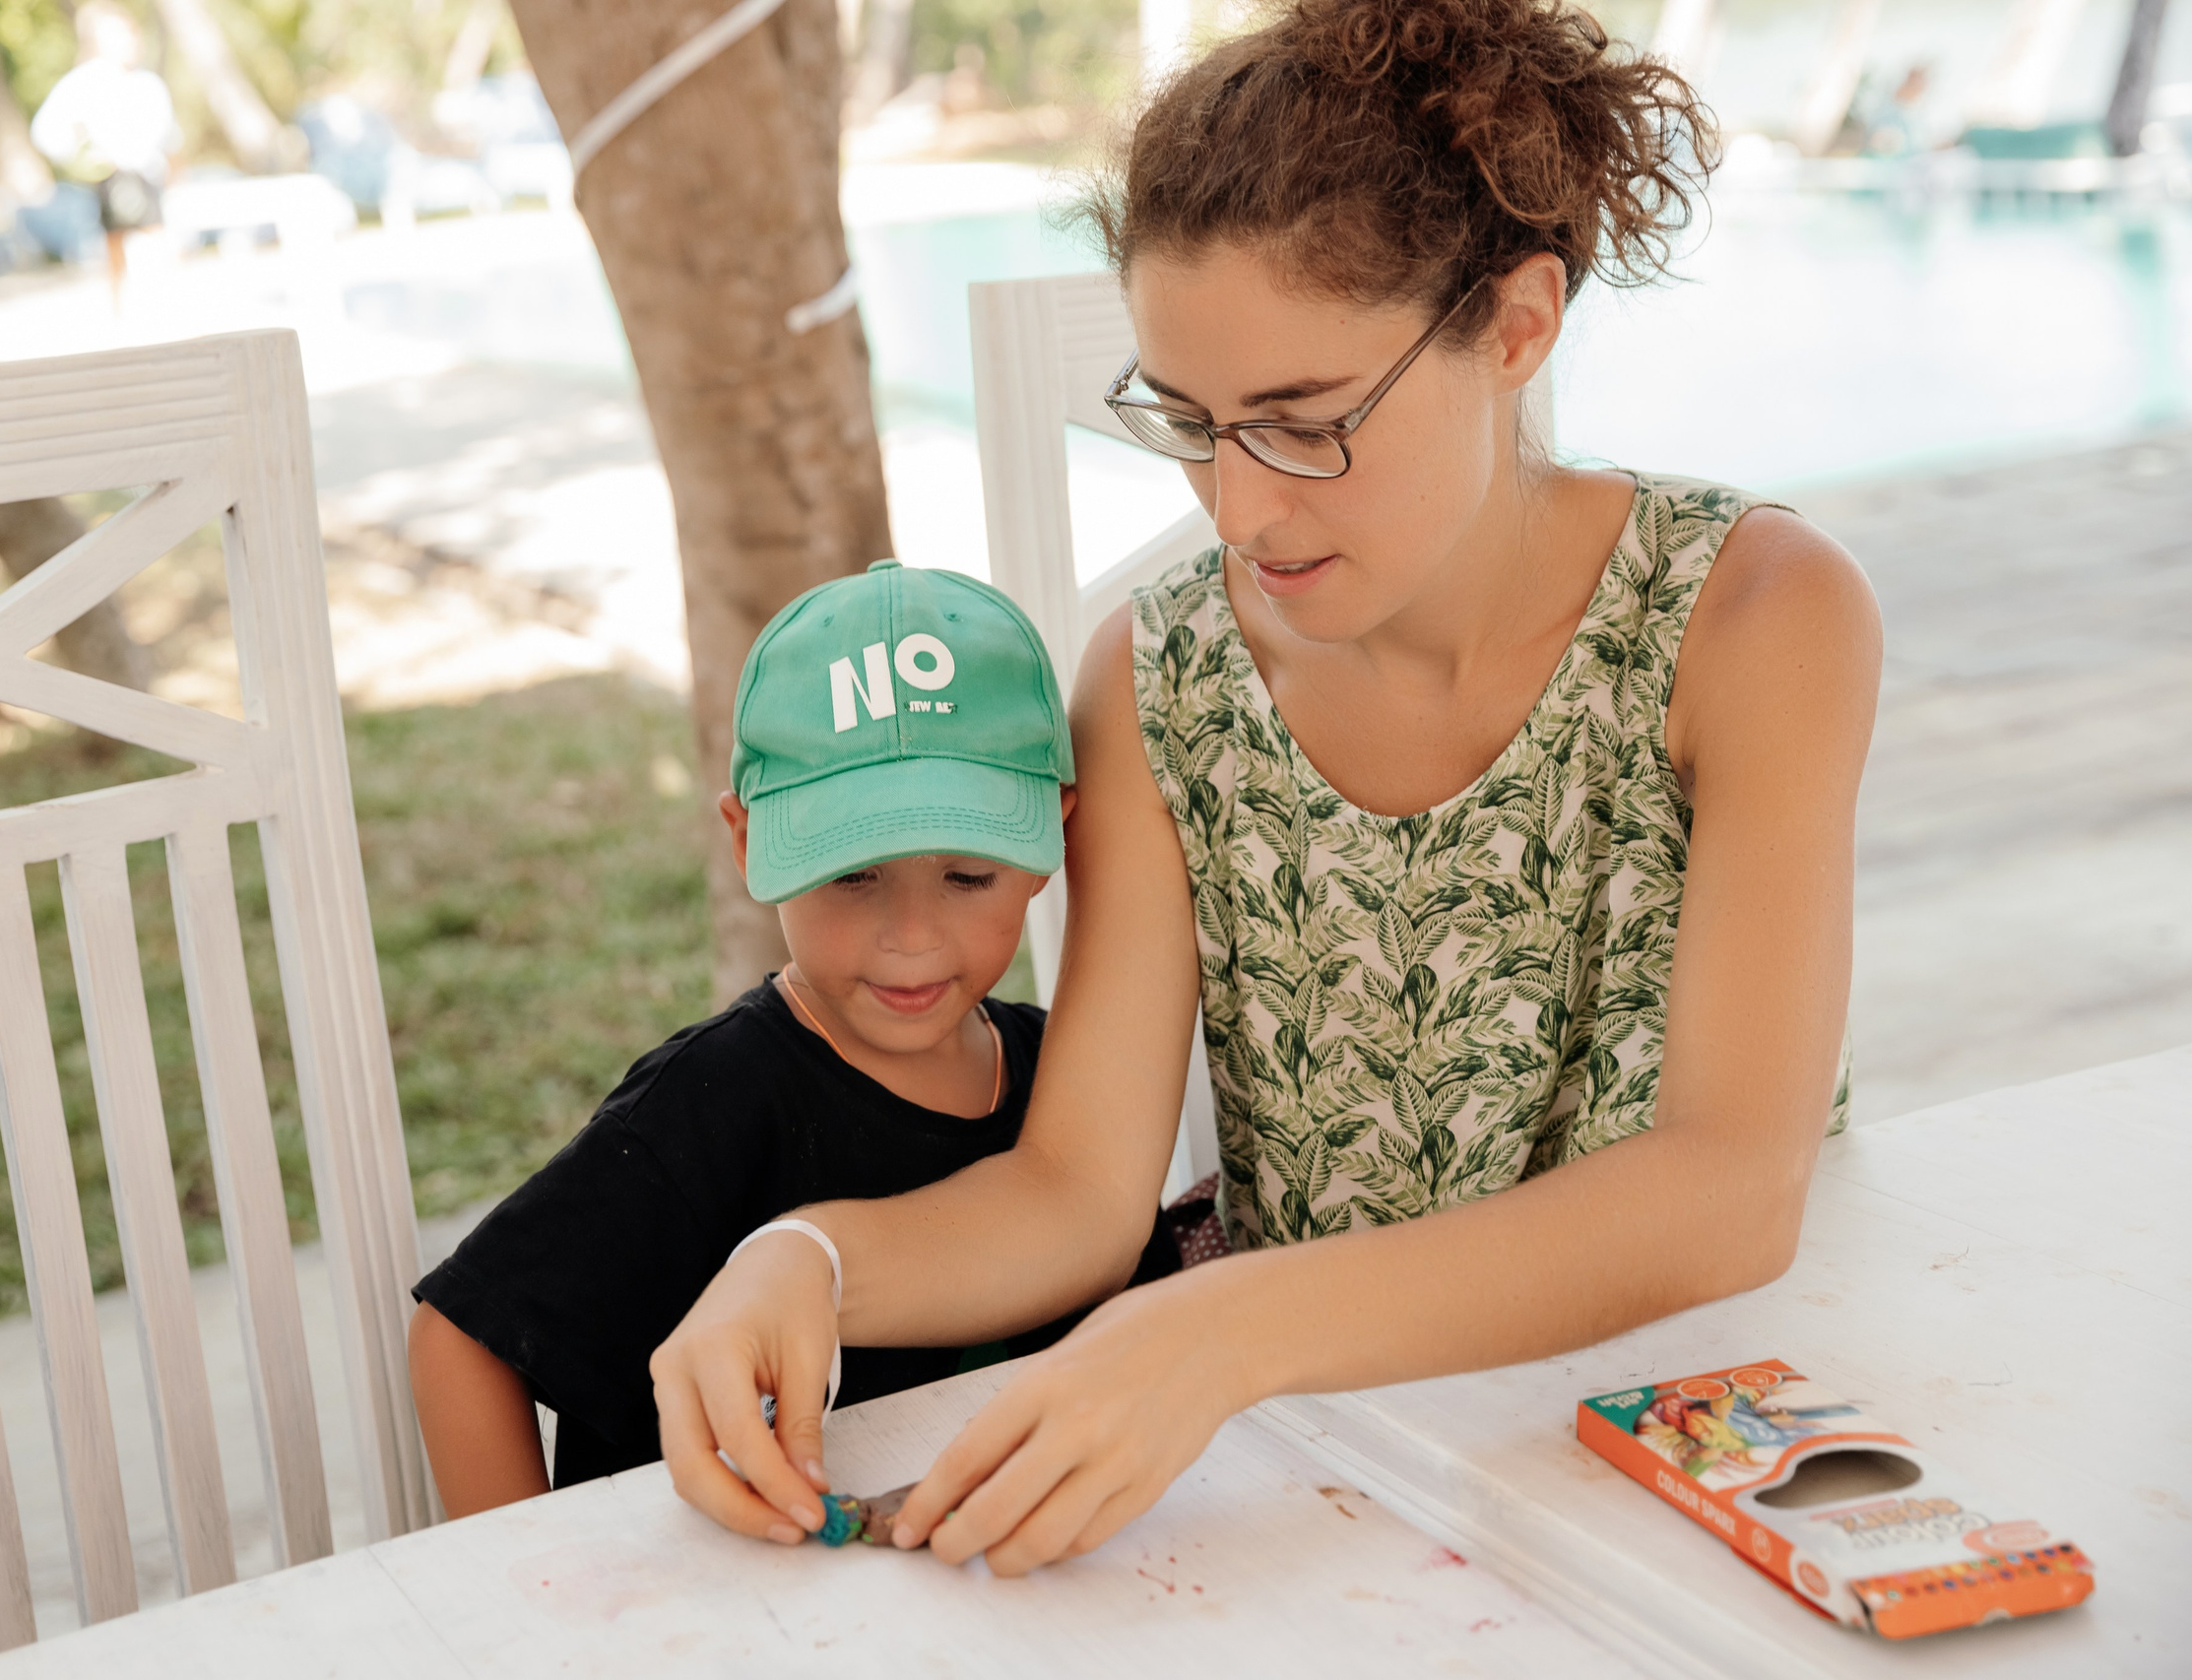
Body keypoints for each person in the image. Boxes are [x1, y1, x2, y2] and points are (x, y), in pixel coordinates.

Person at [649, 0, 1881, 1576]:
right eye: (1193, 424)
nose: (1235, 508)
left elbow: (1731, 1187)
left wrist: (1224, 1325)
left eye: (1304, 425)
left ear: (1517, 326)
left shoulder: (1755, 618)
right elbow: (1082, 1191)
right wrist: (808, 1255)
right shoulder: (1159, 678)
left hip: (1722, 1434)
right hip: (1343, 1475)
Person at [407, 561, 1179, 1516]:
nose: (911, 936)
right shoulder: (709, 1105)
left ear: (1051, 838)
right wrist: (538, 1586)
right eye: (852, 875)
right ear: (746, 842)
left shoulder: (1070, 1082)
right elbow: (461, 1338)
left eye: (967, 875)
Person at [30, 1, 177, 306]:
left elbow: (168, 137)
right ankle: (122, 313)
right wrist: (87, 160)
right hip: (111, 181)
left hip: (148, 177)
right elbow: (47, 133)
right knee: (117, 254)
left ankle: (162, 308)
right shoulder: (83, 83)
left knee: (157, 251)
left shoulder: (146, 83)